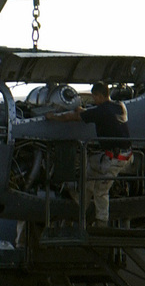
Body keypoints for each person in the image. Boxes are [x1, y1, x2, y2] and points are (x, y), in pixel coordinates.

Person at [49, 81, 132, 227]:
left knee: (101, 190)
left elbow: (70, 118)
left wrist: (53, 117)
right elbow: (94, 113)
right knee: (91, 165)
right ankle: (83, 201)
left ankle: (101, 223)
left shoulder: (100, 111)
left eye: (94, 97)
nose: (93, 100)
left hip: (115, 159)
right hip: (125, 155)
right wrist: (80, 110)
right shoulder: (119, 106)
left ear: (99, 96)